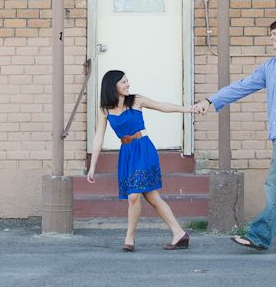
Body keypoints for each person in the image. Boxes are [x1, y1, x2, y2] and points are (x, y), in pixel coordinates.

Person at [194, 17, 276, 251]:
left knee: (274, 183)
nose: (271, 37)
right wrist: (211, 99)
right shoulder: (271, 66)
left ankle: (260, 235)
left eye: (275, 33)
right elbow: (243, 85)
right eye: (271, 33)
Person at [88, 70, 206, 252]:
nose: (128, 85)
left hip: (143, 148)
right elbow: (98, 137)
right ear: (112, 86)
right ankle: (179, 233)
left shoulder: (135, 100)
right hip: (127, 153)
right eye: (124, 82)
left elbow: (162, 106)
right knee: (152, 197)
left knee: (134, 195)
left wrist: (189, 109)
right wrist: (93, 166)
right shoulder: (105, 109)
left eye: (127, 82)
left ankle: (129, 238)